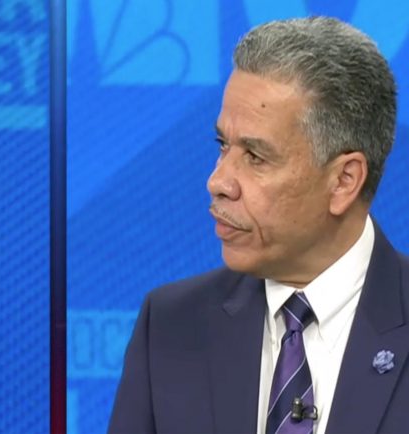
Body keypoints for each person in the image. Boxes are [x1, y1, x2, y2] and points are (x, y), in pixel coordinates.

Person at [109, 16, 409, 434]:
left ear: (343, 181)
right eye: (223, 146)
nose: (218, 182)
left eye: (255, 157)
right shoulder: (170, 327)